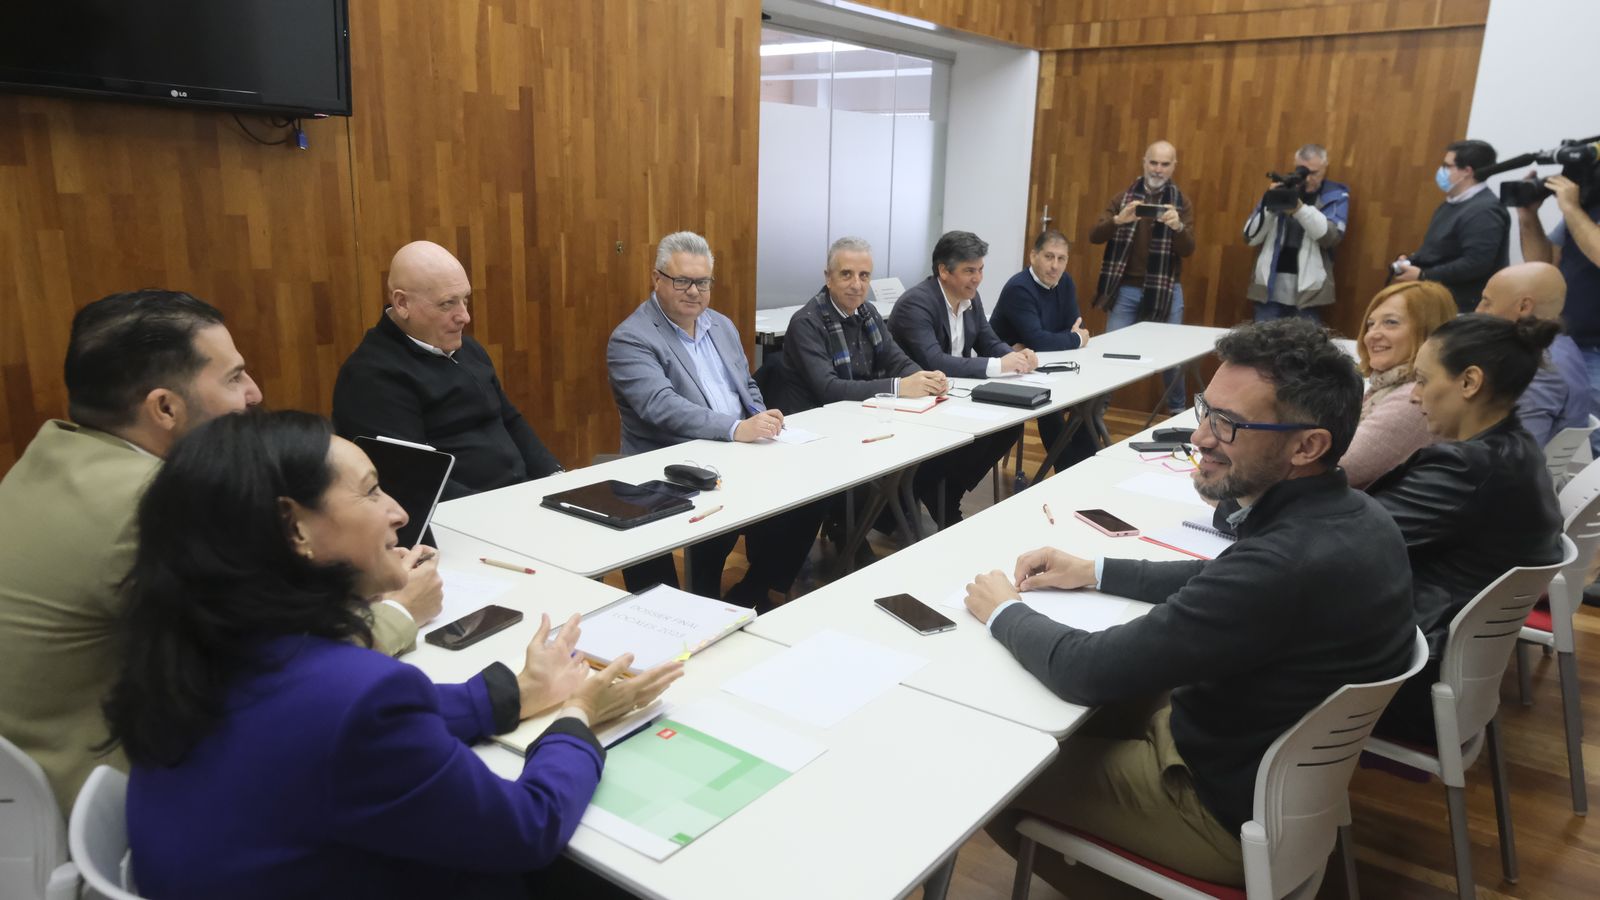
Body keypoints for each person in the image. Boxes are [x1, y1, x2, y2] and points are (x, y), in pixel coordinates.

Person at [104, 410, 683, 899]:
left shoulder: (196, 650)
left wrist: (522, 693)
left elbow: (358, 722)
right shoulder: (353, 695)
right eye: (372, 490)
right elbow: (526, 828)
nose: (399, 512)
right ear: (294, 527)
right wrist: (577, 719)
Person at [962, 318, 1415, 893]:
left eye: (1227, 425)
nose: (1200, 437)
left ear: (1307, 445)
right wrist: (1094, 569)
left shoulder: (1283, 564)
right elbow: (1220, 577)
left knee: (994, 778)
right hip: (1261, 776)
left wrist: (1004, 610)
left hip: (1215, 808)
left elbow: (1085, 669)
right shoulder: (1355, 518)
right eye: (1207, 410)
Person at [0, 290, 436, 815]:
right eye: (233, 377)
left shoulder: (50, 454)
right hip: (108, 805)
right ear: (165, 407)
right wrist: (396, 611)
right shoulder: (156, 505)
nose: (253, 394)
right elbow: (285, 678)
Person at [1369, 315, 1564, 744]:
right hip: (1450, 676)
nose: (1415, 397)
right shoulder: (1518, 450)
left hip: (1406, 682)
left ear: (1470, 382)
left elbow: (1352, 537)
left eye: (1422, 380)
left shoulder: (1468, 469)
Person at [607, 231, 825, 609]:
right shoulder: (631, 338)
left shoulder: (720, 325)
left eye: (702, 282)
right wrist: (734, 429)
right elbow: (660, 405)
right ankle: (689, 607)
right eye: (682, 281)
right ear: (656, 279)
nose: (694, 291)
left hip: (736, 451)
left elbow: (746, 386)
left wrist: (761, 416)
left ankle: (754, 590)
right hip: (670, 463)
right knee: (715, 529)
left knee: (816, 488)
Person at [332, 241, 562, 500]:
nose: (464, 316)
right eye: (447, 304)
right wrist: (498, 509)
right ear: (402, 303)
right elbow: (413, 479)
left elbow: (509, 419)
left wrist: (556, 479)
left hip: (517, 497)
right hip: (465, 515)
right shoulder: (372, 377)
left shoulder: (467, 349)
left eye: (465, 300)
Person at [887, 230, 1032, 525]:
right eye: (969, 271)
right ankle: (920, 497)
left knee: (1009, 426)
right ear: (943, 270)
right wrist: (998, 365)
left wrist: (1018, 359)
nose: (977, 278)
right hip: (914, 401)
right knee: (965, 435)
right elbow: (935, 361)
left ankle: (946, 491)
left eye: (980, 270)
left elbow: (990, 342)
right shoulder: (917, 303)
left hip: (952, 397)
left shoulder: (970, 299)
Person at [777, 236, 947, 412]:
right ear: (828, 278)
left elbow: (896, 361)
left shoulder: (868, 312)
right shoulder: (806, 323)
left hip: (861, 411)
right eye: (846, 274)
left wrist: (926, 380)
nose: (857, 285)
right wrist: (898, 387)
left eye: (864, 275)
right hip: (816, 421)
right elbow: (829, 389)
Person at [1089, 140, 1197, 415]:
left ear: (1174, 166)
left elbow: (1188, 250)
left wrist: (1178, 227)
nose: (1158, 169)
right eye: (1153, 162)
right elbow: (1094, 235)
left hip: (1166, 290)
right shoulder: (1123, 199)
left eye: (1164, 164)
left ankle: (1176, 413)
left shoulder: (1181, 202)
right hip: (1125, 289)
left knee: (1172, 358)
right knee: (1110, 353)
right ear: (1144, 162)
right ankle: (1093, 413)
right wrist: (1118, 221)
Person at [991, 229, 1097, 474]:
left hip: (1046, 363)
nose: (1055, 266)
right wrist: (1073, 339)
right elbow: (1040, 338)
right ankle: (1068, 470)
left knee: (1086, 398)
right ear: (1033, 256)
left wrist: (1064, 338)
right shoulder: (1019, 288)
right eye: (1049, 257)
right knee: (1051, 402)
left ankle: (1088, 467)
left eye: (1061, 259)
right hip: (1010, 369)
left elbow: (1069, 327)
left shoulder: (1065, 282)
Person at [1342, 282, 1458, 488]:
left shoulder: (1413, 398)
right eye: (1371, 324)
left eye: (1391, 322)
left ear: (1428, 331)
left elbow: (1341, 467)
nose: (1372, 335)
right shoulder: (1388, 385)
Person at [1518, 169, 1600, 455]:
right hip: (1563, 340)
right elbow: (1543, 267)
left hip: (1596, 351)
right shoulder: (1589, 206)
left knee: (1591, 448)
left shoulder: (1578, 210)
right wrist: (1528, 216)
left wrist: (1571, 208)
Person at [1476, 261, 1591, 446]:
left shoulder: (1539, 367)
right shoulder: (1562, 345)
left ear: (1523, 307)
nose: (1478, 311)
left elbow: (1517, 452)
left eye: (1487, 302)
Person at [1392, 139, 1511, 314]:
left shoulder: (1484, 211)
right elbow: (1440, 250)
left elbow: (1476, 263)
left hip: (1463, 307)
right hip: (1440, 299)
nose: (1442, 171)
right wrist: (1413, 261)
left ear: (1467, 171)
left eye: (1447, 166)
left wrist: (1424, 275)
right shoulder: (1452, 203)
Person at [1242, 143, 1350, 322]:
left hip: (1308, 294)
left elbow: (1330, 237)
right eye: (1303, 172)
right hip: (1269, 290)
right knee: (1263, 347)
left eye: (1313, 173)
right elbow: (1250, 237)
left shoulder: (1335, 194)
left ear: (1325, 168)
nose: (1307, 179)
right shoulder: (1282, 188)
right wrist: (1272, 204)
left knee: (1304, 348)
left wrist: (1299, 209)